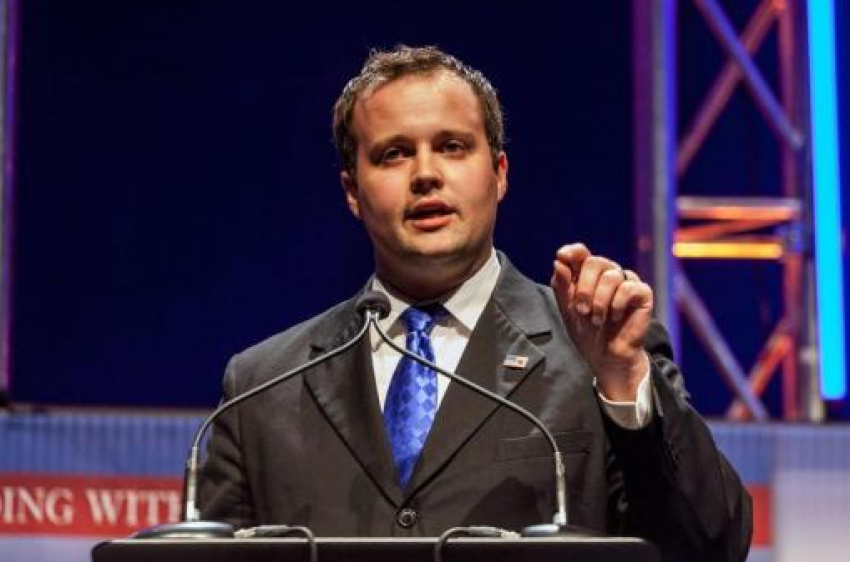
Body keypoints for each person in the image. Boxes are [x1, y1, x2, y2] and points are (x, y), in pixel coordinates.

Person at [200, 45, 752, 561]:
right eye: (394, 154)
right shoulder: (262, 387)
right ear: (352, 191)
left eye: (452, 147)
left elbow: (712, 545)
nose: (425, 174)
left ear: (499, 173)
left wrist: (624, 382)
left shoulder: (595, 351)